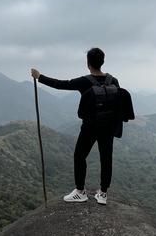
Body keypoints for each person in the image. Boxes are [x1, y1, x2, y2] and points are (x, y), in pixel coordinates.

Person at [31, 47, 119, 205]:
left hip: (90, 127)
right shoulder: (113, 81)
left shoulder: (85, 81)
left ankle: (80, 191)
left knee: (79, 156)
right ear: (102, 62)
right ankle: (103, 193)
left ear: (88, 63)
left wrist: (39, 77)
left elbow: (60, 84)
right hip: (108, 127)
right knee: (106, 159)